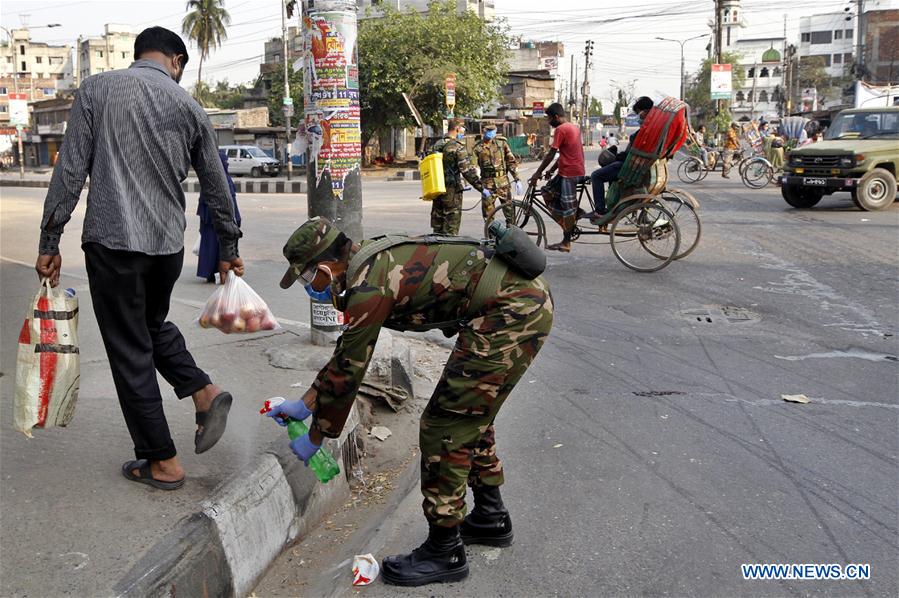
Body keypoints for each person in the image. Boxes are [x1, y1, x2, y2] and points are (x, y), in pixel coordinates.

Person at [271, 217, 554, 586]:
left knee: (445, 426)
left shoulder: (368, 287)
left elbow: (349, 371)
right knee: (468, 414)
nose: (310, 288)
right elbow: (346, 354)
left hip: (513, 312)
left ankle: (444, 551)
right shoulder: (369, 261)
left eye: (308, 279)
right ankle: (490, 516)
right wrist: (306, 403)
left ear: (325, 268)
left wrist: (315, 437)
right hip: (513, 304)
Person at [35, 27, 243, 490]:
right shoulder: (189, 106)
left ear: (140, 54)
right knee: (149, 326)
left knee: (130, 349)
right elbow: (217, 184)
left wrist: (50, 240)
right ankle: (203, 392)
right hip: (166, 248)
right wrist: (228, 248)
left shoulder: (96, 90)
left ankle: (161, 460)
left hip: (114, 245)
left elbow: (71, 169)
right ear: (176, 60)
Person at [584, 96, 653, 221]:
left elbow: (632, 153)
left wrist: (618, 157)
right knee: (609, 168)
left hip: (630, 167)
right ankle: (612, 205)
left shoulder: (644, 131)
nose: (639, 117)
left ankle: (599, 211)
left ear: (646, 111)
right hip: (634, 164)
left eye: (639, 113)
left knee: (596, 176)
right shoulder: (650, 129)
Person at [528, 103, 585, 252]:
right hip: (574, 170)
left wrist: (537, 173)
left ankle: (566, 241)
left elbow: (551, 154)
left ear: (556, 117)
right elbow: (566, 154)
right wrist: (551, 170)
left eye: (549, 118)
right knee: (547, 191)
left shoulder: (561, 129)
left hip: (569, 173)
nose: (548, 122)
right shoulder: (573, 127)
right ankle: (576, 214)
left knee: (567, 208)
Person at [429, 118, 487, 236]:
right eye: (462, 129)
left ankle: (437, 246)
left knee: (438, 226)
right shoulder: (457, 146)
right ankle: (449, 246)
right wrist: (481, 188)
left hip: (437, 188)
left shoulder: (436, 145)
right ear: (457, 129)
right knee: (451, 226)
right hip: (452, 191)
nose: (463, 132)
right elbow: (467, 171)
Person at [197, 150, 241, 282]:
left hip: (210, 222)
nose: (227, 164)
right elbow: (230, 203)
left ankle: (211, 272)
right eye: (225, 162)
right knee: (218, 246)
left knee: (212, 247)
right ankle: (218, 272)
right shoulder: (224, 181)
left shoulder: (209, 180)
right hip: (219, 221)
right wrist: (236, 219)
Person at [473, 123, 522, 224]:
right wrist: (480, 187)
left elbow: (511, 162)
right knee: (488, 216)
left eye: (493, 131)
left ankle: (511, 232)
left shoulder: (502, 144)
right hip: (487, 185)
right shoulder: (477, 148)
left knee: (510, 213)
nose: (491, 133)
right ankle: (490, 233)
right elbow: (473, 168)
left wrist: (517, 179)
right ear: (483, 131)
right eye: (488, 131)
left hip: (503, 183)